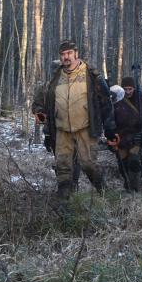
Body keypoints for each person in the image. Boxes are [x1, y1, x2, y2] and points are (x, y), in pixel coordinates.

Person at [31, 40, 116, 200]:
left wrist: (111, 131)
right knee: (63, 167)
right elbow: (43, 101)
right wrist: (40, 112)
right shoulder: (56, 78)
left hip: (85, 128)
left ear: (76, 54)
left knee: (89, 164)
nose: (66, 57)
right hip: (61, 130)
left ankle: (107, 196)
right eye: (63, 54)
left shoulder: (91, 76)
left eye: (69, 53)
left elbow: (106, 104)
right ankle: (65, 203)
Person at [107, 77, 142, 192]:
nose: (128, 92)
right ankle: (128, 185)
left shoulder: (141, 100)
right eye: (126, 89)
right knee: (122, 164)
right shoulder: (116, 100)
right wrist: (112, 137)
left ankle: (136, 189)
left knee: (134, 161)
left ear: (134, 88)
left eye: (130, 89)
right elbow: (110, 121)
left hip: (136, 138)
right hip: (121, 138)